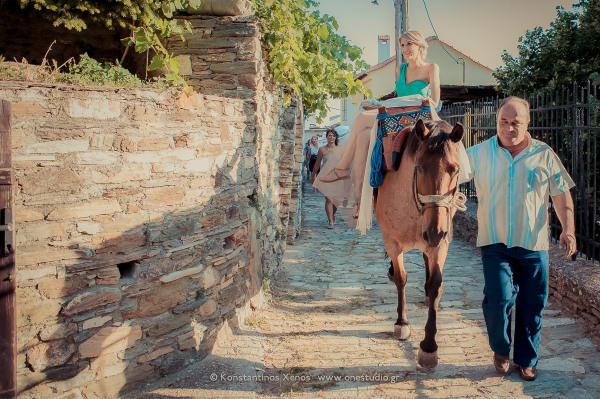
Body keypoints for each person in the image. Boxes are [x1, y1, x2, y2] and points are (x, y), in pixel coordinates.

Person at [464, 96, 577, 381]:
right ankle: (501, 350)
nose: (509, 128)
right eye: (504, 121)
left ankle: (526, 360)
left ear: (527, 123)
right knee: (498, 299)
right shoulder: (477, 153)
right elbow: (451, 175)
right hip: (495, 241)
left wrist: (569, 229)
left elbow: (561, 193)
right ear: (497, 122)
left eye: (516, 122)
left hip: (533, 242)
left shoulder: (544, 154)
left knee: (532, 304)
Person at [316, 31, 441, 221]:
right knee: (364, 137)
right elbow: (398, 97)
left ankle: (342, 168)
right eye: (402, 45)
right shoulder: (400, 69)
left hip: (417, 117)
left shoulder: (432, 68)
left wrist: (422, 99)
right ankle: (359, 201)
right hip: (395, 113)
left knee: (361, 119)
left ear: (420, 46)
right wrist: (379, 102)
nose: (405, 49)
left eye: (409, 44)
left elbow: (435, 100)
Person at [311, 128, 341, 228]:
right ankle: (330, 221)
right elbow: (317, 164)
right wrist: (313, 176)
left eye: (333, 136)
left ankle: (332, 214)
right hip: (326, 177)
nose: (331, 137)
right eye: (329, 136)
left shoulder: (340, 149)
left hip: (337, 177)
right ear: (327, 137)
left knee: (336, 200)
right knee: (329, 199)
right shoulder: (322, 150)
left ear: (336, 137)